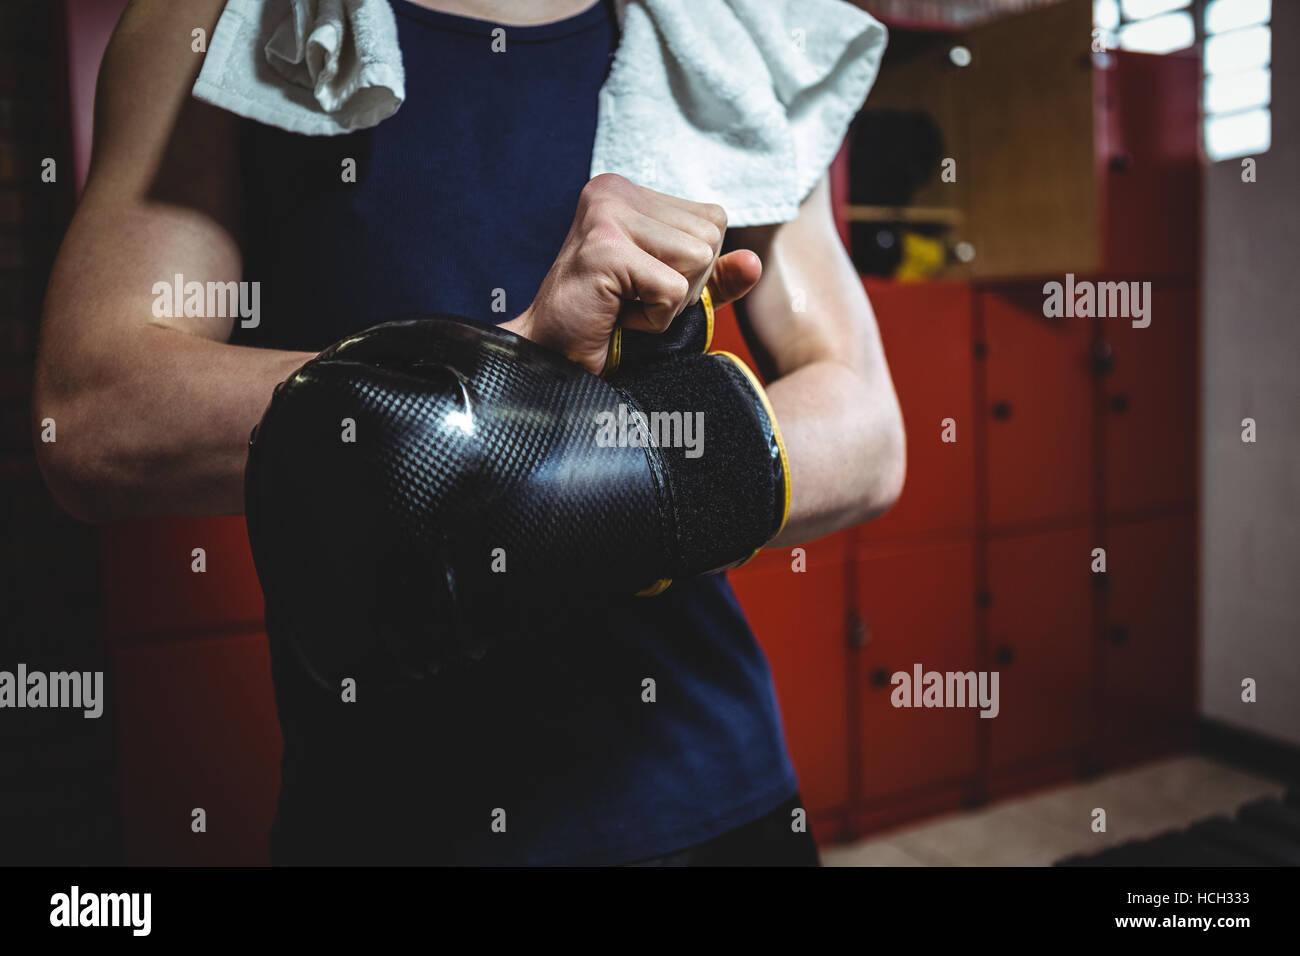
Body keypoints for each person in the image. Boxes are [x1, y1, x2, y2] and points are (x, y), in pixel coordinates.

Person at [34, 0, 905, 865]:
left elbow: (868, 433)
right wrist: (507, 379)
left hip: (716, 790)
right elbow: (92, 414)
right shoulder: (218, 18)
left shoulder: (724, 35)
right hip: (392, 821)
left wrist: (581, 443)